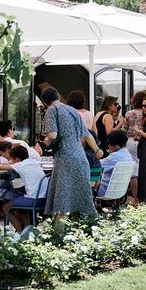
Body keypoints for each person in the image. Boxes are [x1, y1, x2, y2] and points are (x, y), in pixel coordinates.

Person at [42, 86, 101, 217]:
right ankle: (87, 229)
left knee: (63, 199)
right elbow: (87, 135)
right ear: (57, 96)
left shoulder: (52, 109)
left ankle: (59, 232)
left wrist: (46, 140)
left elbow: (53, 135)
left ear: (45, 102)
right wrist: (97, 151)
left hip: (65, 157)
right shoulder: (72, 110)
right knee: (82, 198)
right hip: (80, 156)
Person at [0, 145, 48, 232]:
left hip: (33, 200)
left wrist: (8, 164)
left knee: (5, 207)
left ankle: (21, 232)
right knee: (20, 207)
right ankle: (27, 230)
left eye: (11, 159)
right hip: (44, 199)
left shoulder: (20, 165)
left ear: (16, 159)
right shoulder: (34, 162)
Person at [121, 91, 146, 203]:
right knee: (144, 168)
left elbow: (124, 129)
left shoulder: (129, 113)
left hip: (130, 141)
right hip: (144, 141)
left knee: (133, 172)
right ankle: (144, 197)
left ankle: (135, 199)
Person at [96, 130, 134, 199]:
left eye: (110, 144)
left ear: (116, 145)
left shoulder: (115, 156)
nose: (108, 146)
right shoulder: (128, 155)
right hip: (119, 191)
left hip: (104, 190)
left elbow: (97, 166)